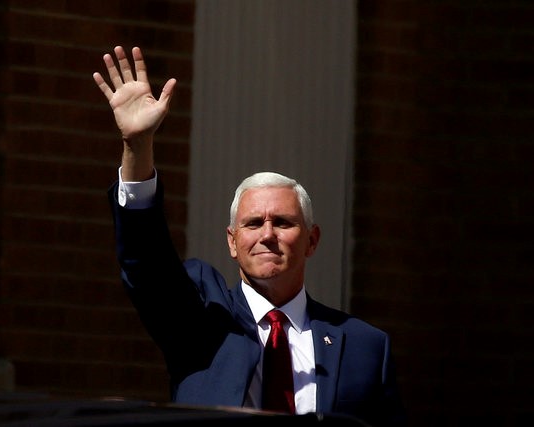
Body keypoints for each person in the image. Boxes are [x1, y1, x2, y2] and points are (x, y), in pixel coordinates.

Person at [93, 45, 407, 427]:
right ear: (232, 241)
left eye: (285, 223)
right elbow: (146, 265)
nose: (268, 235)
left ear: (312, 240)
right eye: (253, 223)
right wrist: (137, 146)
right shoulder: (201, 317)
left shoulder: (365, 345)